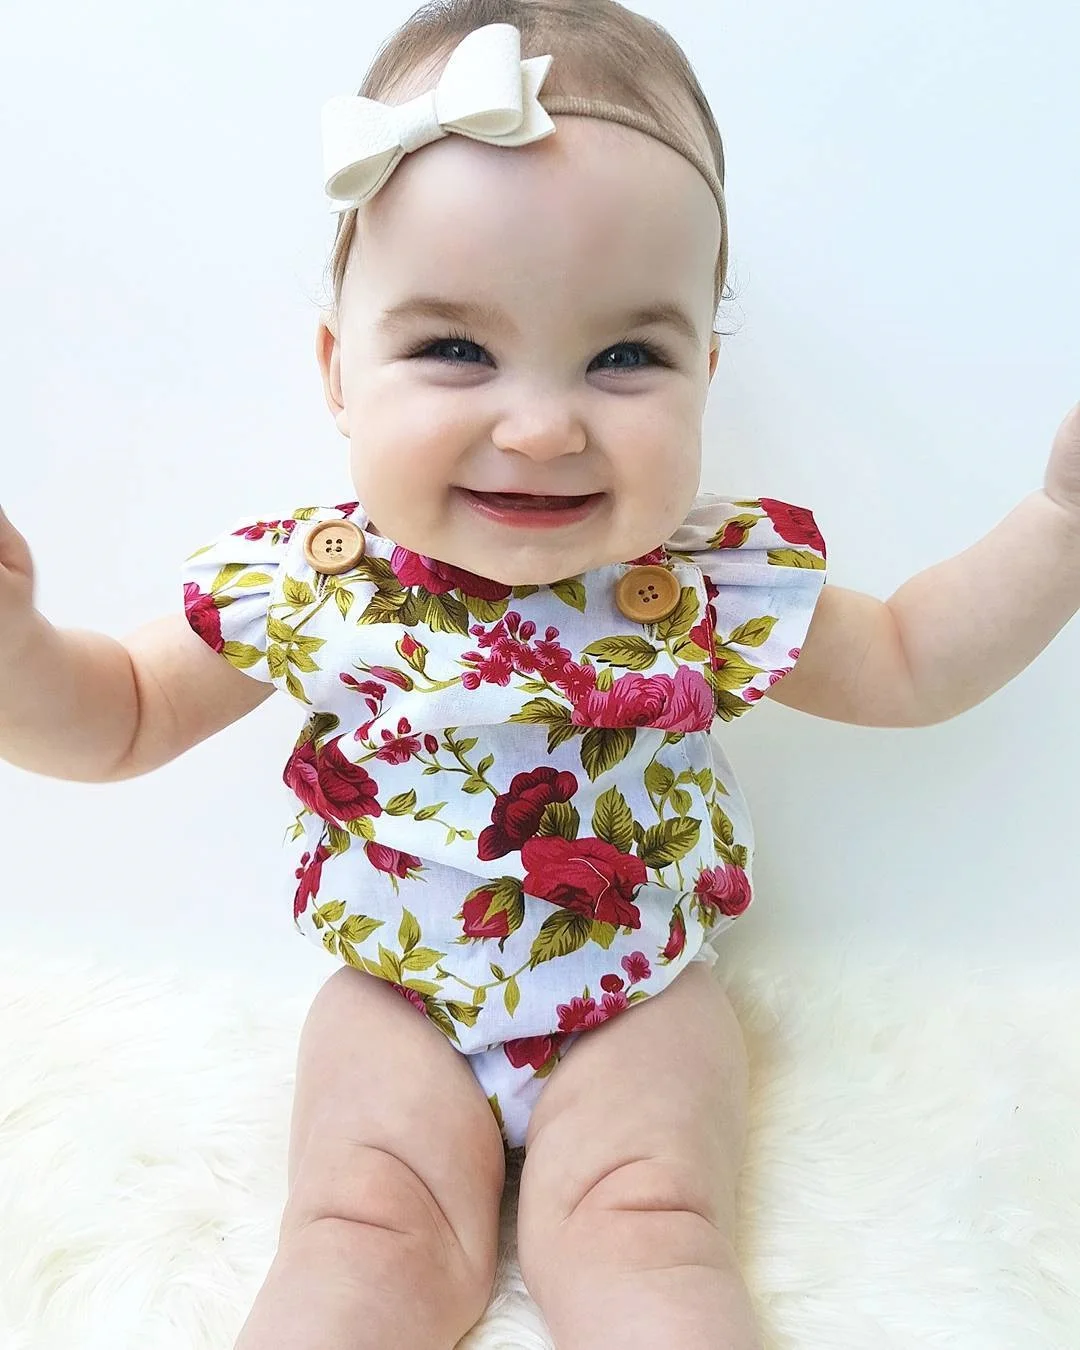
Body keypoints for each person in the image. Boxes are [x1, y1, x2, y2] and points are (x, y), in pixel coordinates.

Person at [2, 3, 1078, 1347]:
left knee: (650, 1235)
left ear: (705, 374)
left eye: (626, 357)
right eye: (455, 348)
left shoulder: (705, 585)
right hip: (396, 1000)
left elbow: (913, 661)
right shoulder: (311, 578)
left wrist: (1059, 524)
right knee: (356, 1233)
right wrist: (16, 647)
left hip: (636, 999)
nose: (541, 423)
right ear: (340, 371)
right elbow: (118, 718)